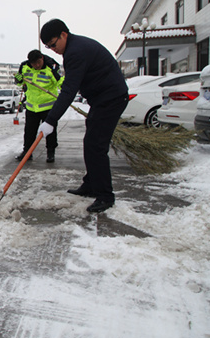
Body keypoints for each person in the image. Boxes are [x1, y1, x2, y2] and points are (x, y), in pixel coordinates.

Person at [38, 19, 128, 213]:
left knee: (96, 146)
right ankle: (91, 184)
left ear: (63, 34)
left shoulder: (75, 52)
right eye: (48, 47)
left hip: (111, 99)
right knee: (91, 143)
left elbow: (70, 90)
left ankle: (105, 195)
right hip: (103, 99)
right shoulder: (74, 48)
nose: (52, 49)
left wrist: (51, 120)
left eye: (53, 44)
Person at [14, 49, 63, 163]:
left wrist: (66, 92)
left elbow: (60, 82)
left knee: (50, 132)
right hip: (32, 107)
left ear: (42, 58)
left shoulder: (52, 66)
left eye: (38, 63)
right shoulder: (24, 66)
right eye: (33, 64)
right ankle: (27, 152)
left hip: (48, 107)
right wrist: (18, 79)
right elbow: (20, 81)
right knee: (29, 132)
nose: (36, 66)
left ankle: (50, 153)